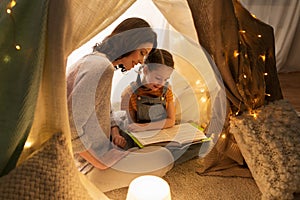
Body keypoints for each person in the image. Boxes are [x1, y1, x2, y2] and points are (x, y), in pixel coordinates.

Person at [67, 18, 174, 192]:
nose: (141, 61)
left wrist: (114, 131)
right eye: (141, 52)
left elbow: (105, 109)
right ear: (128, 43)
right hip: (86, 166)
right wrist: (100, 162)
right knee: (164, 158)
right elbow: (70, 131)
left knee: (146, 147)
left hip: (103, 148)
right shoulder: (101, 68)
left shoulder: (95, 61)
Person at [121, 49, 176, 133]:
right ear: (145, 70)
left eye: (166, 79)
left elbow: (171, 120)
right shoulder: (128, 94)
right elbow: (132, 126)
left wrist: (145, 127)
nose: (161, 83)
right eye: (158, 78)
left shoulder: (167, 89)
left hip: (162, 134)